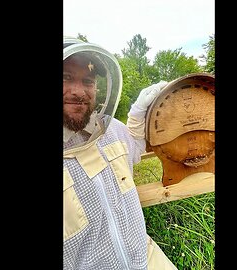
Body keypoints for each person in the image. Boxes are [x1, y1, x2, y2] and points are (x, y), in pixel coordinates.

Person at [63, 37, 177, 270]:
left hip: (146, 257)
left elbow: (133, 149)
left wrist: (137, 113)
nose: (79, 92)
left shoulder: (110, 128)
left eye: (88, 81)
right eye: (65, 77)